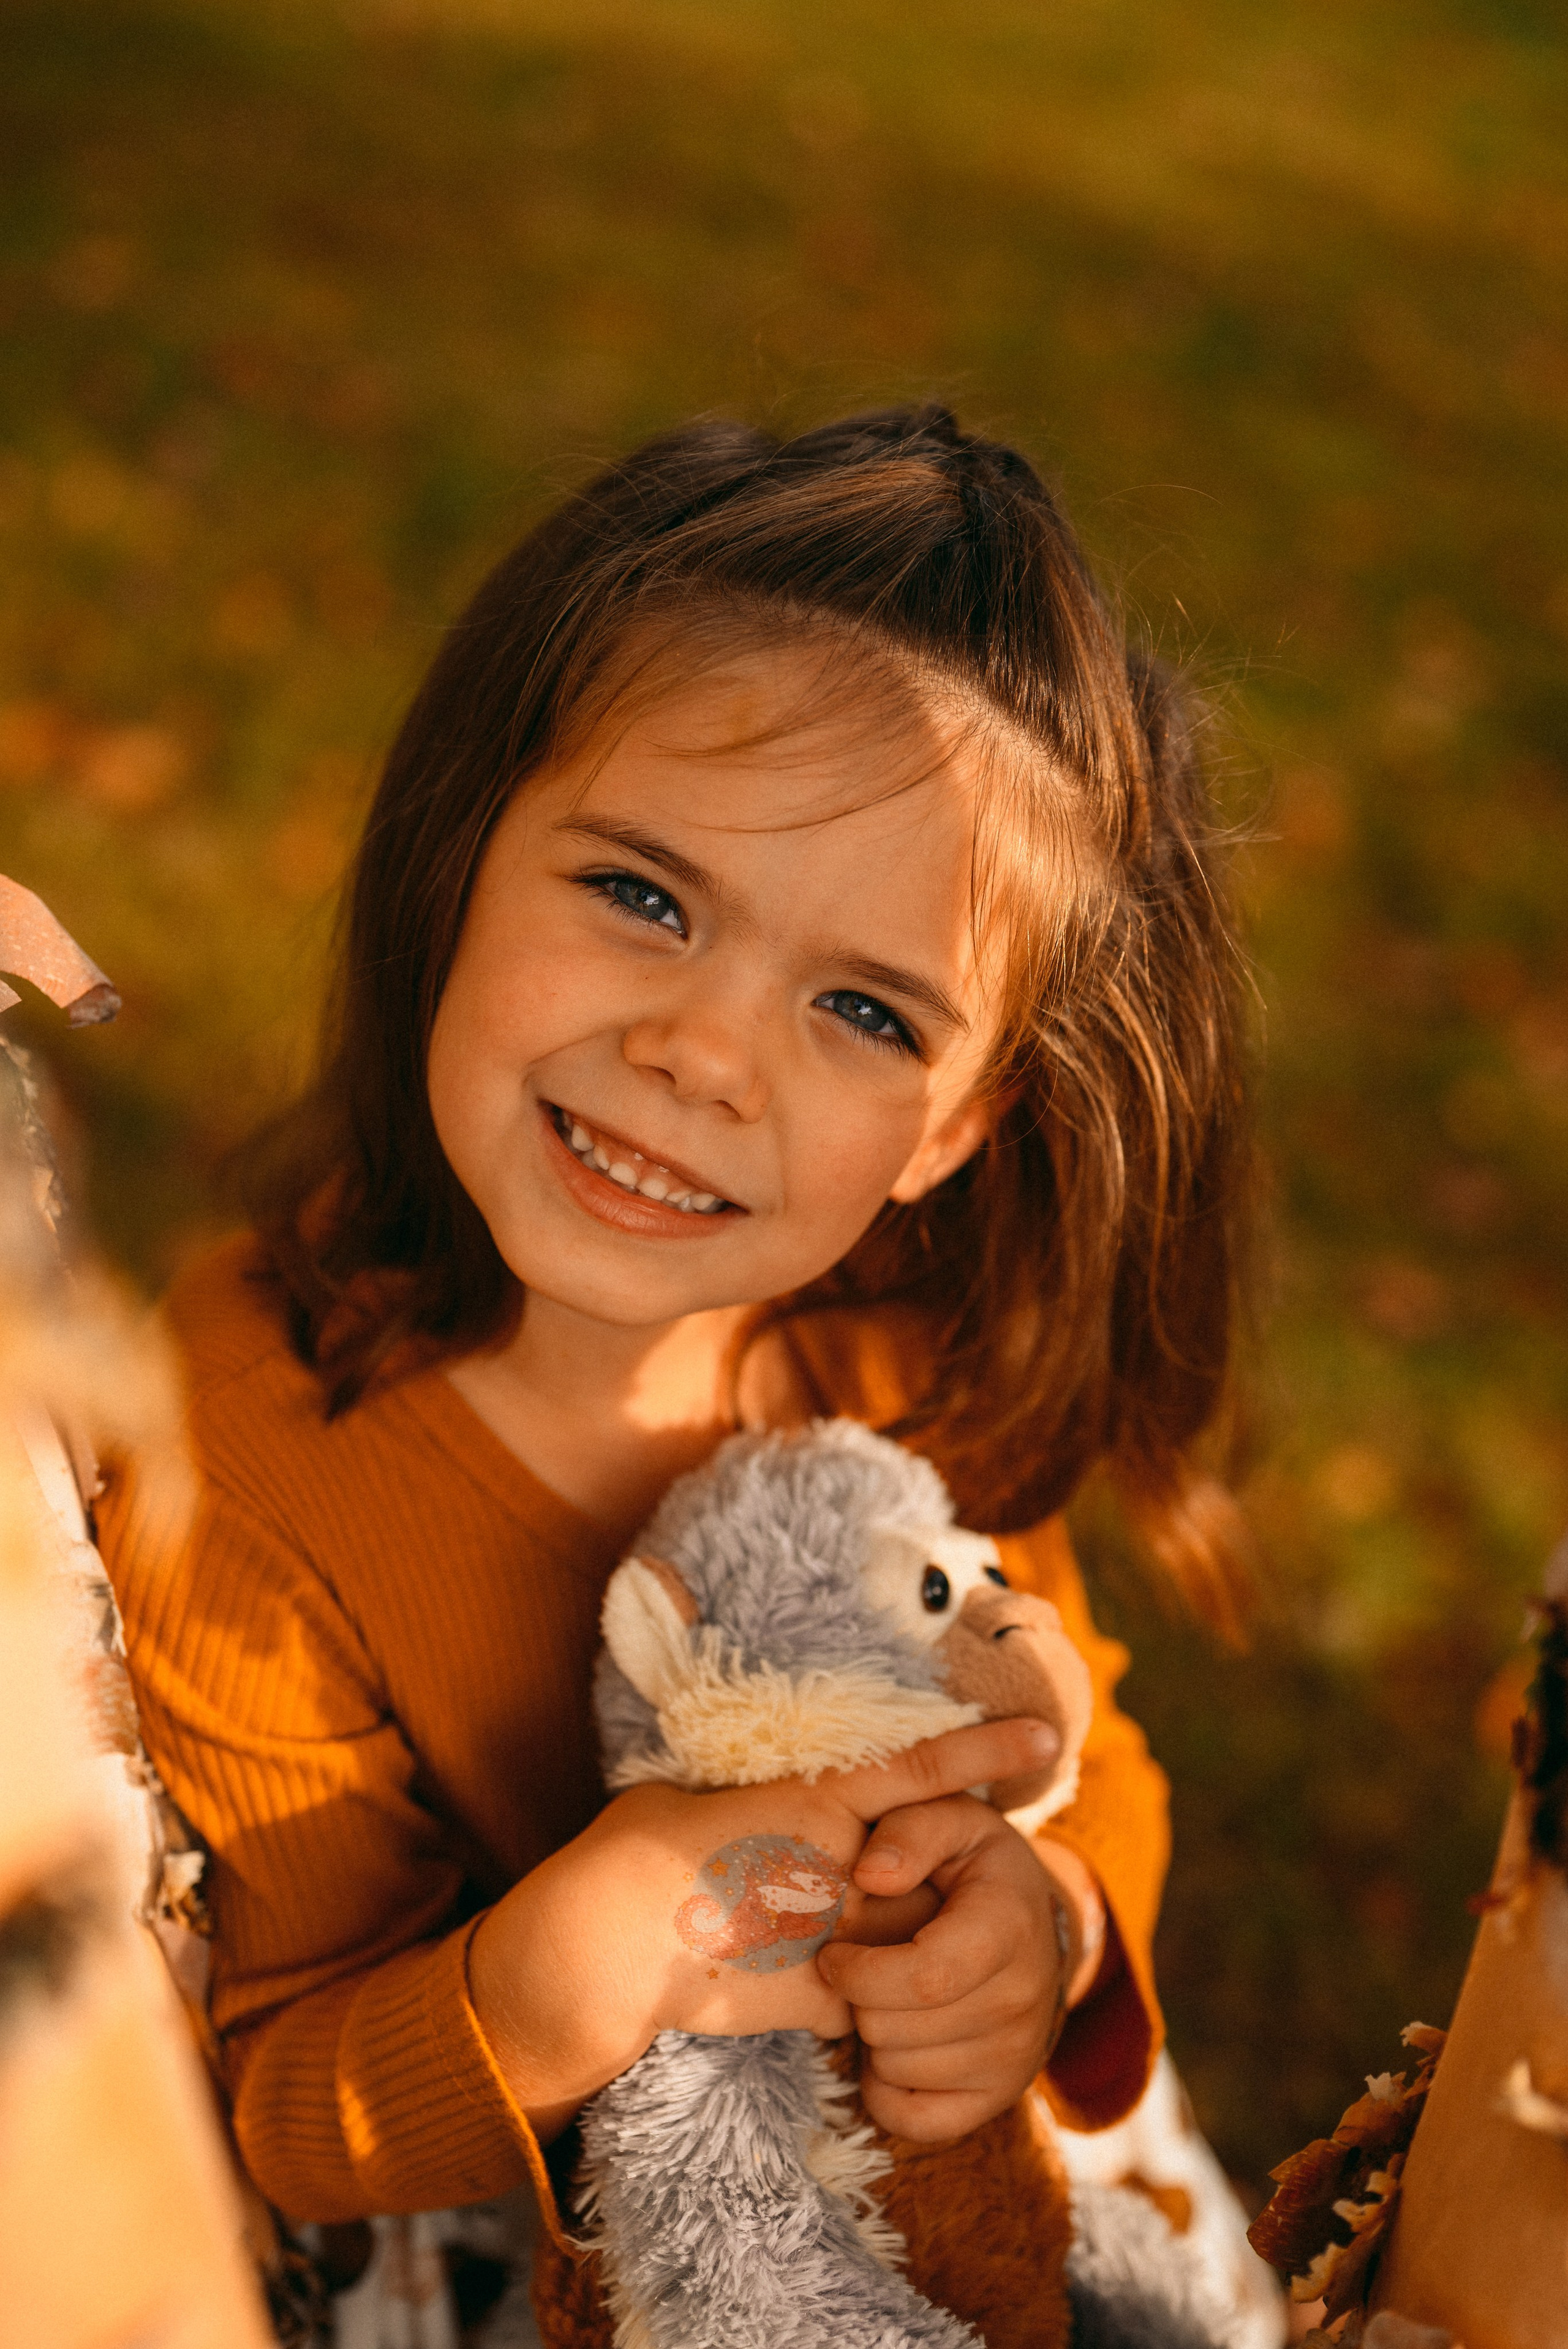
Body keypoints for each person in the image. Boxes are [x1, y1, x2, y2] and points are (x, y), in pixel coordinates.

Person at [98, 403, 1252, 2347]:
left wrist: (1044, 1932)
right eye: (643, 893)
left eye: (864, 1009)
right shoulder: (249, 1446)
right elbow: (271, 2099)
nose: (706, 1054)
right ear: (467, 843)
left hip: (956, 2186)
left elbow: (1081, 1752)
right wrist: (556, 1974)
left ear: (963, 1122)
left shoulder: (902, 1367)